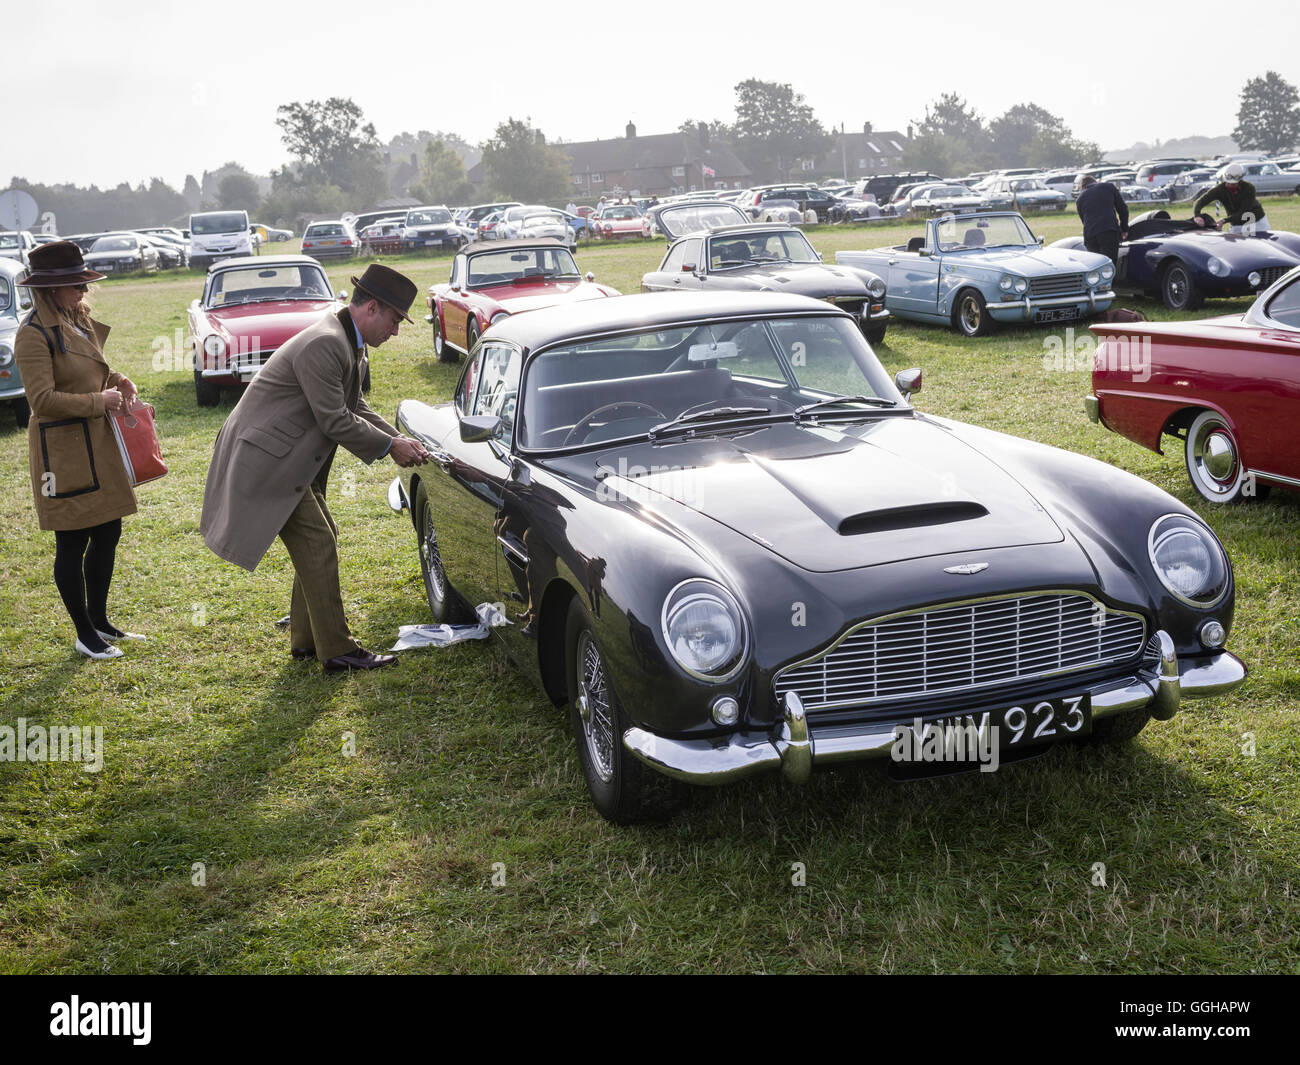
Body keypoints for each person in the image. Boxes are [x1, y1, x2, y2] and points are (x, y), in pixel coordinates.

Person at [200, 263, 430, 673]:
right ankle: (337, 649)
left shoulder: (347, 339)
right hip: (267, 461)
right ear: (372, 308)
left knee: (320, 539)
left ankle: (308, 640)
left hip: (282, 458)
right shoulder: (327, 342)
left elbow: (354, 404)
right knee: (320, 541)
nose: (395, 331)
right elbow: (334, 420)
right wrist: (392, 446)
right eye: (395, 320)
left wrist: (398, 438)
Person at [14, 241, 144, 660]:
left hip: (97, 442)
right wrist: (97, 402)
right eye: (75, 285)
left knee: (108, 530)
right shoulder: (32, 335)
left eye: (83, 283)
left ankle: (100, 621)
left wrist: (118, 379)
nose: (83, 292)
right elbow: (41, 400)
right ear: (50, 289)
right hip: (63, 454)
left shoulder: (77, 320)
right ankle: (84, 634)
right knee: (71, 542)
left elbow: (91, 368)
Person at [1193, 163, 1269, 233]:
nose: (1229, 185)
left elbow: (1243, 212)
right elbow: (1200, 201)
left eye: (1233, 184)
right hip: (1236, 225)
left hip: (1258, 222)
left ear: (1240, 181)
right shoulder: (1219, 189)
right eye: (1227, 182)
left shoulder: (1249, 188)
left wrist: (1224, 220)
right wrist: (1197, 215)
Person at [1075, 174, 1129, 268]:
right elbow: (1123, 209)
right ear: (1095, 181)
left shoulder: (1080, 198)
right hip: (1108, 230)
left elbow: (1084, 220)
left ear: (1082, 187)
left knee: (1095, 267)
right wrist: (1124, 229)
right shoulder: (1108, 187)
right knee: (1109, 266)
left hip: (1090, 236)